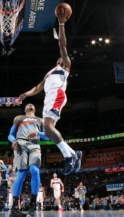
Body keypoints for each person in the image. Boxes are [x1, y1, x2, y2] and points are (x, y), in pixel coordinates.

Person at [18, 7, 81, 175]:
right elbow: (38, 87)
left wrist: (61, 24)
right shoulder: (50, 72)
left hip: (58, 95)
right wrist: (26, 94)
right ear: (56, 60)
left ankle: (68, 157)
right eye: (60, 57)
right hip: (48, 99)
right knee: (47, 130)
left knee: (47, 126)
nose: (62, 56)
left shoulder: (66, 66)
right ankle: (75, 154)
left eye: (64, 56)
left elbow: (62, 44)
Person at [8, 103, 50, 217]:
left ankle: (33, 205)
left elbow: (47, 136)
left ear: (35, 109)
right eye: (28, 104)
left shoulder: (40, 120)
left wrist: (38, 133)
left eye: (32, 104)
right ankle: (14, 208)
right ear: (25, 109)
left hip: (35, 145)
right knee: (21, 173)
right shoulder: (19, 118)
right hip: (20, 144)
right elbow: (10, 135)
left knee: (35, 171)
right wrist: (13, 141)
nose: (31, 104)